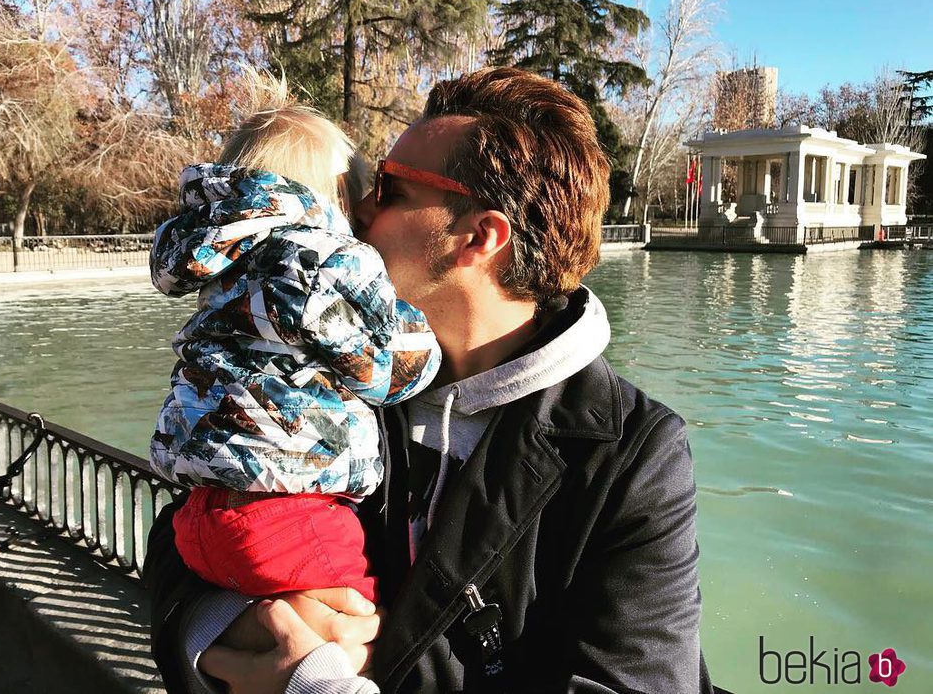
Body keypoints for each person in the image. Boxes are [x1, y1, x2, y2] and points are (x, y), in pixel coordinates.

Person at [144, 67, 715, 694]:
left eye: (387, 189)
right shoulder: (324, 365)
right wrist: (228, 631)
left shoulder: (631, 455)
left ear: (479, 236)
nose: (355, 210)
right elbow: (187, 530)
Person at [147, 71, 441, 607]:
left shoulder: (216, 251)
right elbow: (390, 371)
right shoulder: (326, 256)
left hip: (199, 514)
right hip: (289, 509)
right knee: (368, 635)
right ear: (335, 197)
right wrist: (426, 343)